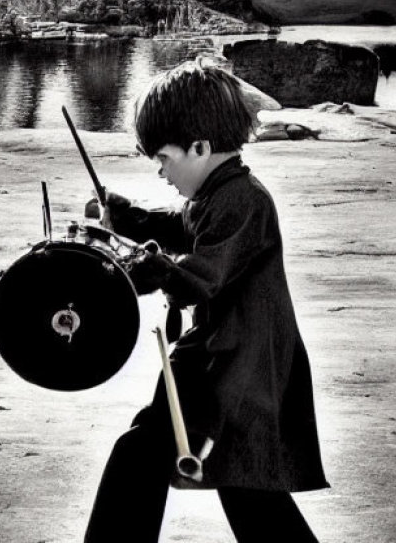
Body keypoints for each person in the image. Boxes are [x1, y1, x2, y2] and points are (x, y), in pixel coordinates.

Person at [83, 59, 327, 543]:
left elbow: (203, 277)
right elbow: (180, 225)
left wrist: (152, 270)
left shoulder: (244, 201)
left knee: (236, 484)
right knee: (207, 475)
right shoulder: (215, 193)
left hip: (243, 371)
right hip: (218, 363)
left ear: (199, 147)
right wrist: (129, 218)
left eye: (164, 158)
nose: (160, 170)